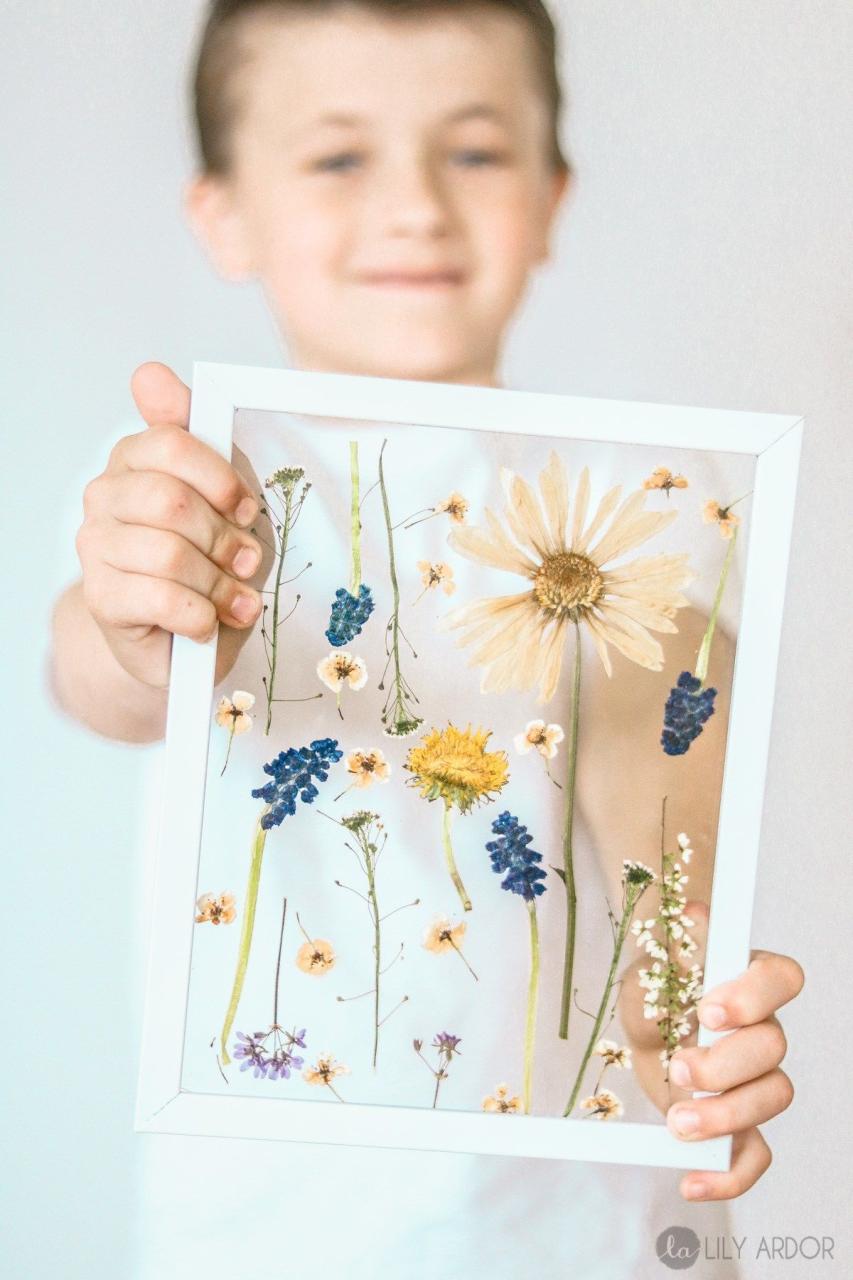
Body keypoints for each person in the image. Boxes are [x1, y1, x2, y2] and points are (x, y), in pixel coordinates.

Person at [48, 1, 804, 1274]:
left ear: (552, 198)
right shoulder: (203, 484)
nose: (414, 206)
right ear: (223, 211)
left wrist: (703, 1036)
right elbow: (106, 676)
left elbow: (673, 844)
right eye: (339, 156)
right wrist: (138, 615)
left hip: (587, 1232)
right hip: (266, 1230)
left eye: (474, 150)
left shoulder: (652, 499)